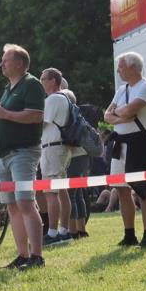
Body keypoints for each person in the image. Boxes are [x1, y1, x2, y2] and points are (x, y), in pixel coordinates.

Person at [0, 45, 46, 270]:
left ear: (20, 63)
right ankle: (22, 255)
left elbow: (35, 116)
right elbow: (11, 117)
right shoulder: (8, 87)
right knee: (11, 205)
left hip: (23, 152)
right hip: (3, 155)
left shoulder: (32, 84)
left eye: (5, 60)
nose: (1, 64)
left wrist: (4, 114)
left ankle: (37, 256)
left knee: (25, 202)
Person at [104, 52, 146, 249]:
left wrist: (120, 113)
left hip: (139, 143)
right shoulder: (122, 90)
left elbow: (129, 111)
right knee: (120, 189)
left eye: (121, 66)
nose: (118, 70)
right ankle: (129, 235)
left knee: (143, 190)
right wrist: (122, 116)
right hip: (120, 143)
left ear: (133, 68)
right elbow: (107, 115)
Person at [39, 69, 73, 246]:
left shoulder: (53, 99)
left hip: (52, 148)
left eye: (43, 79)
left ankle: (52, 233)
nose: (41, 82)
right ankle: (64, 231)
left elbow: (40, 124)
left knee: (51, 192)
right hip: (61, 147)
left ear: (53, 81)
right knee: (61, 190)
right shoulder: (64, 97)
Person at [64, 93, 91, 239]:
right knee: (78, 194)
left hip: (73, 156)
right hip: (83, 155)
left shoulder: (68, 115)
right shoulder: (79, 114)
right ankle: (81, 229)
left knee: (70, 195)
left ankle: (73, 231)